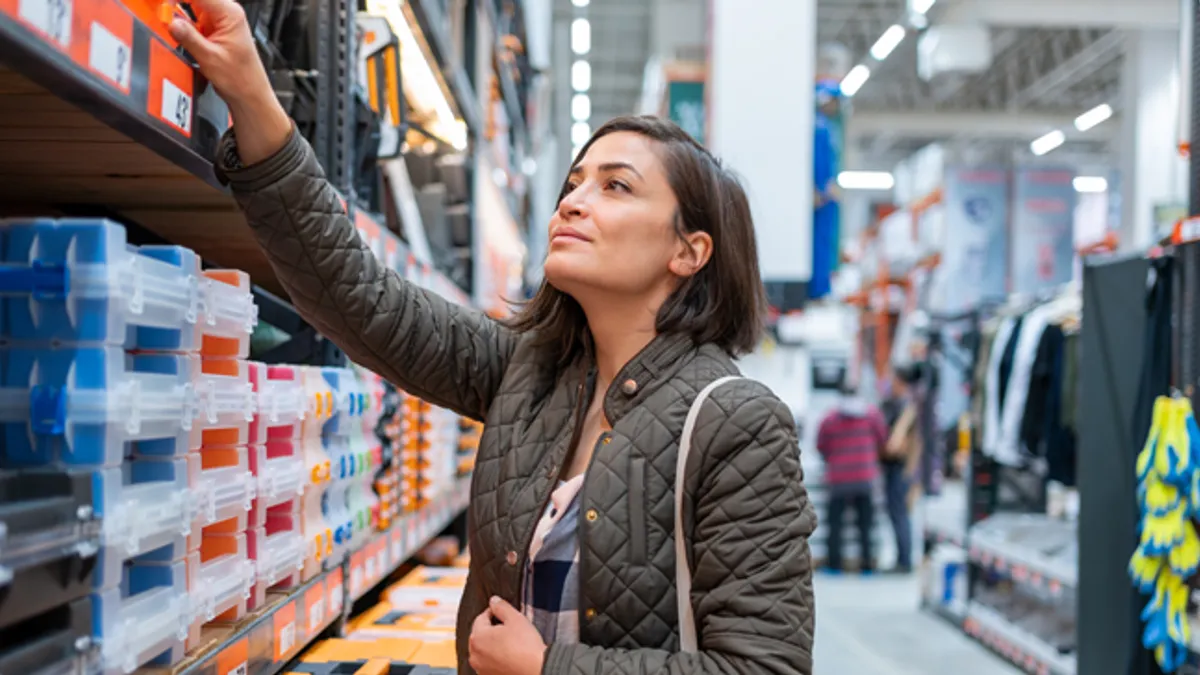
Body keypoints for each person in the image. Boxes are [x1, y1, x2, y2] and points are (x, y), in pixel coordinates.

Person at [168, 2, 817, 674]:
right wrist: (248, 86)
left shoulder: (737, 424)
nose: (572, 200)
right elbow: (358, 294)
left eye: (616, 186)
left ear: (689, 250)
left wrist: (547, 668)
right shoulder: (531, 375)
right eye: (574, 183)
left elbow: (767, 666)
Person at [815, 381, 885, 574]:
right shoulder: (871, 415)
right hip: (864, 478)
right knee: (865, 525)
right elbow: (882, 439)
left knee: (835, 525)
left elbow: (820, 445)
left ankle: (834, 565)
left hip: (838, 479)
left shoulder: (829, 419)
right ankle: (867, 566)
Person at [880, 368, 923, 574]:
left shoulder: (908, 407)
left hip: (901, 468)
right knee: (898, 514)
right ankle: (902, 558)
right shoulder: (899, 404)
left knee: (900, 514)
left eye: (893, 381)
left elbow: (896, 445)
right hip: (896, 468)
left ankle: (904, 560)